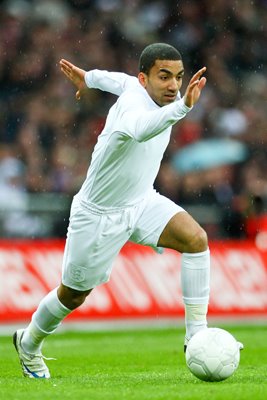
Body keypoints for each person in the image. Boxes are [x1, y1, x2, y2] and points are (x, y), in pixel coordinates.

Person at [13, 43, 210, 378]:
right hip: (99, 215)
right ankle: (29, 343)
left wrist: (88, 78)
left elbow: (116, 80)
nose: (174, 86)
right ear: (144, 78)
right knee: (73, 296)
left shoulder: (141, 88)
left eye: (178, 77)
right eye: (164, 77)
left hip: (141, 201)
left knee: (196, 239)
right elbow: (142, 128)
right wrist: (185, 108)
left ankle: (196, 338)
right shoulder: (134, 110)